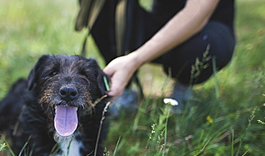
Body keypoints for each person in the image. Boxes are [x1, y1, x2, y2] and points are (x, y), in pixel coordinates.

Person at [75, 0, 236, 112]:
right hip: (157, 24)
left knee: (200, 48)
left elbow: (198, 13)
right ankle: (120, 86)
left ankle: (183, 86)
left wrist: (135, 59)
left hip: (207, 30)